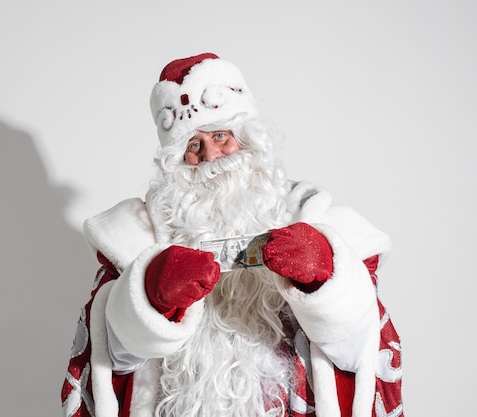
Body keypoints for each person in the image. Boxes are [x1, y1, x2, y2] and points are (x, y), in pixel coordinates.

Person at [61, 53, 403, 417]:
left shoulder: (317, 219)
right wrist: (151, 295)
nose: (211, 156)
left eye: (221, 136)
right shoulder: (135, 236)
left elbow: (362, 353)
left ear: (249, 139)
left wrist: (324, 276)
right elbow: (109, 359)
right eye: (194, 146)